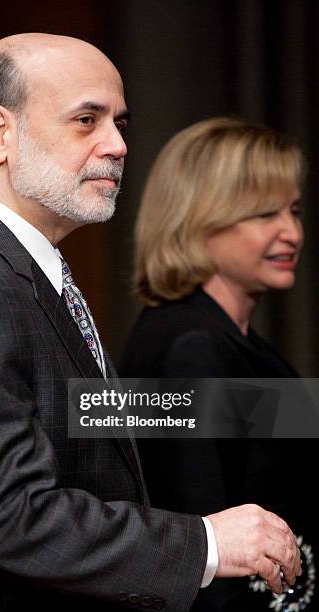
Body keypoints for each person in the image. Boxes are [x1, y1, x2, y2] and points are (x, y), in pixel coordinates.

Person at [0, 39, 301, 612]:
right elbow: (6, 513)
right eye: (86, 120)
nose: (118, 145)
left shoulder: (17, 270)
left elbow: (84, 414)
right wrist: (208, 542)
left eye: (119, 122)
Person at [120, 116, 316, 611]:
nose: (291, 232)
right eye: (263, 213)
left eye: (293, 210)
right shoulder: (191, 347)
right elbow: (200, 546)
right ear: (198, 218)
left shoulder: (224, 338)